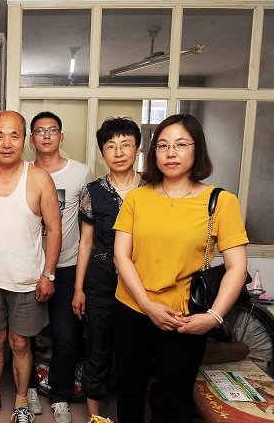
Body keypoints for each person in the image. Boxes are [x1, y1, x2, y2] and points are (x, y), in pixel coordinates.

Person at [112, 114, 249, 423]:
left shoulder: (220, 201)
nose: (170, 153)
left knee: (177, 400)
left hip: (184, 317)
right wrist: (147, 306)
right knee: (129, 392)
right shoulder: (137, 197)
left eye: (181, 145)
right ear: (153, 153)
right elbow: (121, 256)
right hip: (133, 308)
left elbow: (237, 267)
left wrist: (212, 317)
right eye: (162, 146)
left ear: (197, 149)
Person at [0, 111, 62, 423]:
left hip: (27, 281)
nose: (7, 143)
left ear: (25, 140)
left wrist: (48, 274)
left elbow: (54, 229)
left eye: (14, 135)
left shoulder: (39, 178)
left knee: (20, 343)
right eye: (0, 135)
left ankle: (20, 405)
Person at [71, 117, 144, 419]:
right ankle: (95, 416)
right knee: (97, 349)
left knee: (134, 354)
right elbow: (86, 242)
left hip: (142, 284)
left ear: (137, 149)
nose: (119, 152)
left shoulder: (153, 190)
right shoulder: (93, 191)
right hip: (100, 283)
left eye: (126, 144)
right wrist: (78, 288)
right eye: (111, 146)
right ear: (102, 153)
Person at [28, 111, 93, 422]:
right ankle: (28, 388)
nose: (46, 135)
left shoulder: (81, 173)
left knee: (66, 335)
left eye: (52, 130)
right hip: (29, 266)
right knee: (25, 334)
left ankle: (60, 396)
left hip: (66, 267)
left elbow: (89, 225)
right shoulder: (23, 172)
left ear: (61, 136)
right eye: (39, 131)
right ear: (31, 139)